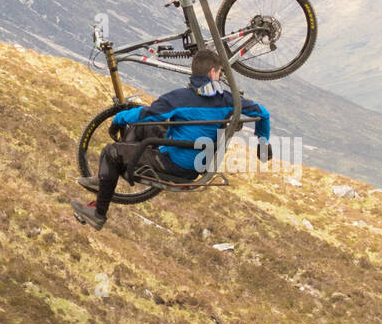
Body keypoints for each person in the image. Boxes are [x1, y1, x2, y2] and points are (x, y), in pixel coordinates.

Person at [70, 49, 272, 230]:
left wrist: (119, 119)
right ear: (212, 72)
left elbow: (147, 114)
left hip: (175, 163)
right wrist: (262, 145)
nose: (219, 76)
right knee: (142, 130)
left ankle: (98, 213)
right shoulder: (229, 100)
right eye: (219, 72)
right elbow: (263, 113)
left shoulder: (180, 97)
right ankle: (106, 179)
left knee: (110, 151)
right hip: (195, 161)